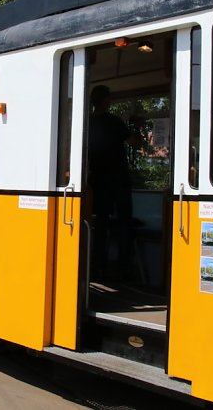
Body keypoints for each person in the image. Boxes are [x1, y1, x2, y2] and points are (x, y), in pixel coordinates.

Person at [87, 85, 136, 281]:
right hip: (118, 180)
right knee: (124, 223)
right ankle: (124, 267)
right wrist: (136, 127)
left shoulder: (87, 123)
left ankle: (98, 265)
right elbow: (134, 142)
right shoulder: (114, 122)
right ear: (106, 100)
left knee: (101, 224)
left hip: (97, 181)